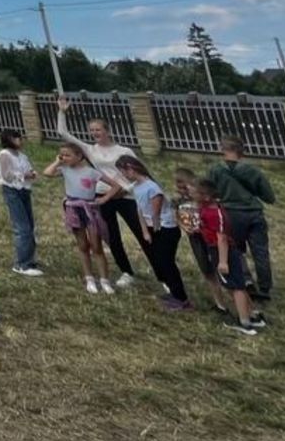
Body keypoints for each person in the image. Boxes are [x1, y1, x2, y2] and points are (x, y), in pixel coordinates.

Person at [54, 96, 144, 287]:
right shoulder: (89, 150)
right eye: (92, 130)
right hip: (101, 197)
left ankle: (164, 276)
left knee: (141, 232)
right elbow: (63, 133)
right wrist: (62, 111)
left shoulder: (123, 150)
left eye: (99, 129)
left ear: (107, 130)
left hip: (125, 195)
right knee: (111, 236)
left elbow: (139, 172)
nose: (95, 133)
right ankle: (126, 271)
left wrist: (129, 188)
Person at [116, 155, 191, 312]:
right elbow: (140, 210)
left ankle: (181, 298)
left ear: (131, 168)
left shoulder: (152, 187)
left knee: (167, 263)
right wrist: (145, 231)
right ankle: (174, 293)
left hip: (166, 229)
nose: (124, 175)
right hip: (153, 229)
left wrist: (154, 230)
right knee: (161, 262)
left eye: (124, 172)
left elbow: (155, 213)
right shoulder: (136, 186)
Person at [207, 137, 275, 304]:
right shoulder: (252, 171)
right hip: (254, 213)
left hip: (231, 214)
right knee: (260, 251)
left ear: (223, 149)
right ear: (241, 151)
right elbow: (269, 196)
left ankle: (246, 280)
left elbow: (209, 192)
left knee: (236, 249)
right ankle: (265, 288)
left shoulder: (215, 170)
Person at [198, 178, 266, 336]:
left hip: (223, 252)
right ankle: (252, 316)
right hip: (220, 250)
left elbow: (221, 237)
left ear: (206, 196)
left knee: (236, 288)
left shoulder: (216, 213)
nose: (194, 196)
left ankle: (245, 323)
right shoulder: (209, 209)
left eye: (197, 194)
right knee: (235, 286)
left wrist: (223, 261)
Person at [45, 142, 114, 296]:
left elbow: (115, 185)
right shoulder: (64, 170)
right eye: (62, 155)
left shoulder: (91, 172)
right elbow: (47, 173)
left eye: (68, 155)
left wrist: (104, 199)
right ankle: (89, 277)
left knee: (96, 245)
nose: (64, 158)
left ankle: (104, 280)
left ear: (79, 156)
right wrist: (57, 161)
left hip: (90, 209)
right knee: (82, 244)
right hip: (73, 208)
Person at [176, 166, 230, 315]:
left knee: (223, 270)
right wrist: (184, 226)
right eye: (179, 188)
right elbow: (179, 216)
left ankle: (238, 297)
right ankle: (220, 303)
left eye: (185, 187)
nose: (183, 191)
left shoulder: (205, 200)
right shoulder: (180, 201)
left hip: (211, 239)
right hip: (196, 239)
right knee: (206, 270)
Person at [0, 130, 41, 276]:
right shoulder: (5, 155)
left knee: (30, 225)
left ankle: (30, 259)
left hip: (25, 190)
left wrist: (31, 174)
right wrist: (23, 175)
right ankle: (22, 264)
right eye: (16, 138)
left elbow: (28, 169)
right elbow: (6, 175)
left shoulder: (22, 156)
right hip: (13, 191)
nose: (20, 140)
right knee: (22, 227)